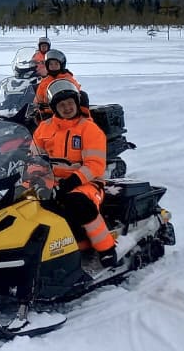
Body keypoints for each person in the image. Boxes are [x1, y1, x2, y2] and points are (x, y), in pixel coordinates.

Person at [31, 79, 119, 267]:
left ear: (77, 103)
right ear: (55, 108)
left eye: (70, 103)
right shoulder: (43, 128)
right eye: (62, 105)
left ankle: (106, 248)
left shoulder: (89, 129)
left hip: (86, 183)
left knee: (77, 203)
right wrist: (36, 180)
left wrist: (71, 182)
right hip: (50, 181)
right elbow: (33, 159)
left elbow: (95, 165)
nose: (67, 107)